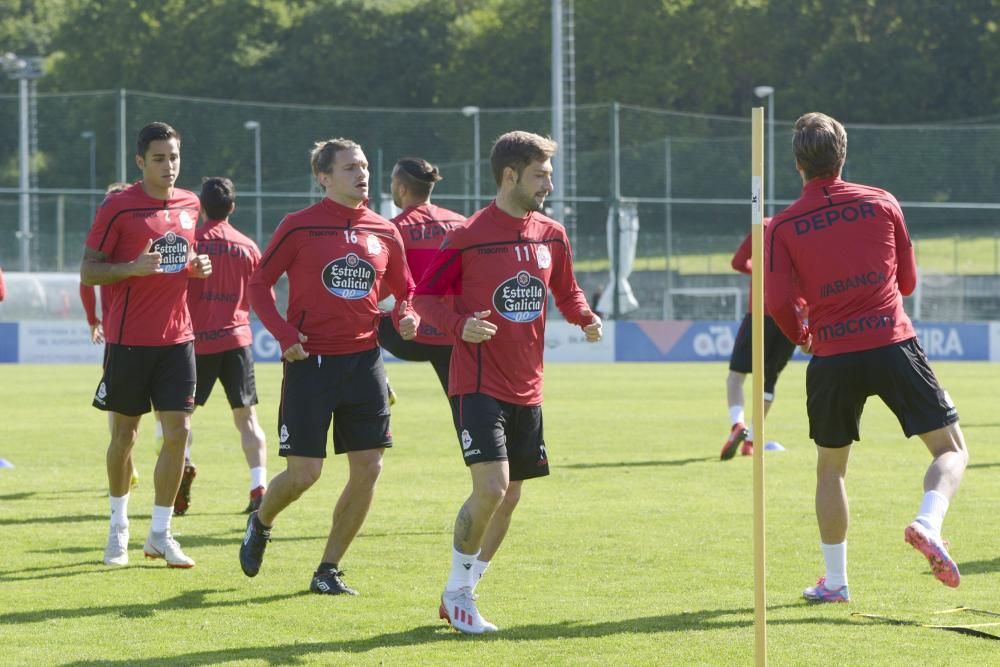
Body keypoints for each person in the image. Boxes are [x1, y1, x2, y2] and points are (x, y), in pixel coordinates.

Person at [765, 112, 968, 603]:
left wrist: (804, 336)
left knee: (831, 470)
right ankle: (927, 521)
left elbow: (775, 302)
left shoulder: (782, 224)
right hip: (892, 342)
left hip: (832, 355)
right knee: (951, 450)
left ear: (798, 163)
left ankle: (835, 582)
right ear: (843, 154)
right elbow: (908, 282)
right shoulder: (881, 201)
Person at [414, 131, 602, 634]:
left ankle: (463, 591)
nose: (549, 183)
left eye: (549, 173)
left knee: (511, 494)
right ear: (510, 175)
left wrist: (584, 317)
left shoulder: (551, 233)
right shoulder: (470, 234)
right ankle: (456, 592)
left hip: (528, 386)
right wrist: (459, 326)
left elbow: (567, 289)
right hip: (477, 381)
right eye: (540, 174)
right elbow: (424, 296)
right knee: (492, 487)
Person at [240, 137, 417, 596]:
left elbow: (405, 290)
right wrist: (284, 335)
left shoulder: (385, 231)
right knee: (305, 475)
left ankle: (328, 570)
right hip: (310, 363)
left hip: (365, 363)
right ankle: (261, 521)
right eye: (349, 168)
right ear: (323, 177)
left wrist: (405, 316)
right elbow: (259, 284)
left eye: (364, 166)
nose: (362, 174)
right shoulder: (299, 227)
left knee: (369, 468)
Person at [81, 121, 213, 568]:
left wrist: (195, 267)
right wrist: (131, 268)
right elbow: (89, 271)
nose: (169, 166)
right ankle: (118, 528)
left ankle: (161, 533)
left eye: (174, 157)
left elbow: (180, 262)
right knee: (125, 437)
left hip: (179, 339)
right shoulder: (118, 207)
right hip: (128, 342)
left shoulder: (192, 204)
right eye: (159, 158)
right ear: (141, 162)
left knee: (178, 433)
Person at [183, 176, 268, 515]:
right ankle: (258, 485)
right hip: (237, 340)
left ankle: (183, 467)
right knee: (247, 418)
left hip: (196, 343)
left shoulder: (191, 243)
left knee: (181, 417)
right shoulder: (248, 247)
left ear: (201, 207)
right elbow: (263, 296)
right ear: (232, 207)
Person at [378, 157, 466, 393]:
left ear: (402, 188)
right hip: (455, 332)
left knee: (360, 317)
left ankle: (375, 381)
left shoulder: (393, 228)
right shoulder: (462, 224)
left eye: (391, 182)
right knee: (465, 413)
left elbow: (380, 288)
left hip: (408, 335)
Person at [719, 218, 802, 460]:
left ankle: (737, 423)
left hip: (760, 312)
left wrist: (760, 271)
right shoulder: (803, 229)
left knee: (736, 377)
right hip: (792, 315)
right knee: (769, 380)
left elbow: (737, 262)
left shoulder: (762, 226)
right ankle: (752, 440)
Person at [80, 182, 143, 490]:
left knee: (120, 417)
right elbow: (85, 280)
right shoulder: (124, 236)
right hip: (149, 333)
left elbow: (85, 284)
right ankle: (178, 460)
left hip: (122, 335)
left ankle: (126, 470)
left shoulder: (110, 241)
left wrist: (93, 320)